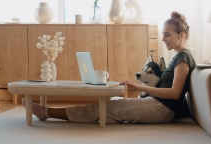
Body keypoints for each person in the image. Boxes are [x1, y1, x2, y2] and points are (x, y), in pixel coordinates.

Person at [22, 11, 196, 124]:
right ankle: (110, 117)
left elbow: (174, 93)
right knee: (110, 106)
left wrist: (140, 87)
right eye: (163, 34)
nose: (164, 39)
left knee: (105, 108)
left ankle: (47, 112)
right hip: (159, 105)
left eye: (168, 35)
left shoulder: (183, 57)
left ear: (180, 35)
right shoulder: (179, 56)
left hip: (163, 109)